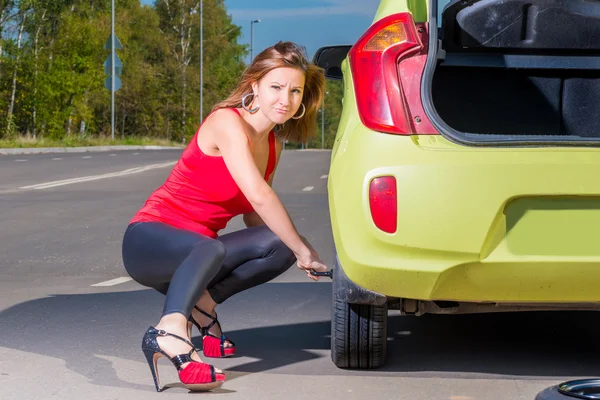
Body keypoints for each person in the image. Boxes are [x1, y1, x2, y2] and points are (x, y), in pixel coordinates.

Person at [121, 41, 328, 392]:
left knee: (280, 245)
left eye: (295, 91)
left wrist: (297, 247)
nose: (285, 99)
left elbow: (254, 219)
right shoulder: (226, 122)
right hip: (149, 240)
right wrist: (304, 250)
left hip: (198, 257)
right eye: (276, 87)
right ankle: (170, 331)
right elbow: (260, 197)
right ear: (255, 87)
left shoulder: (273, 146)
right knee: (210, 247)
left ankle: (203, 305)